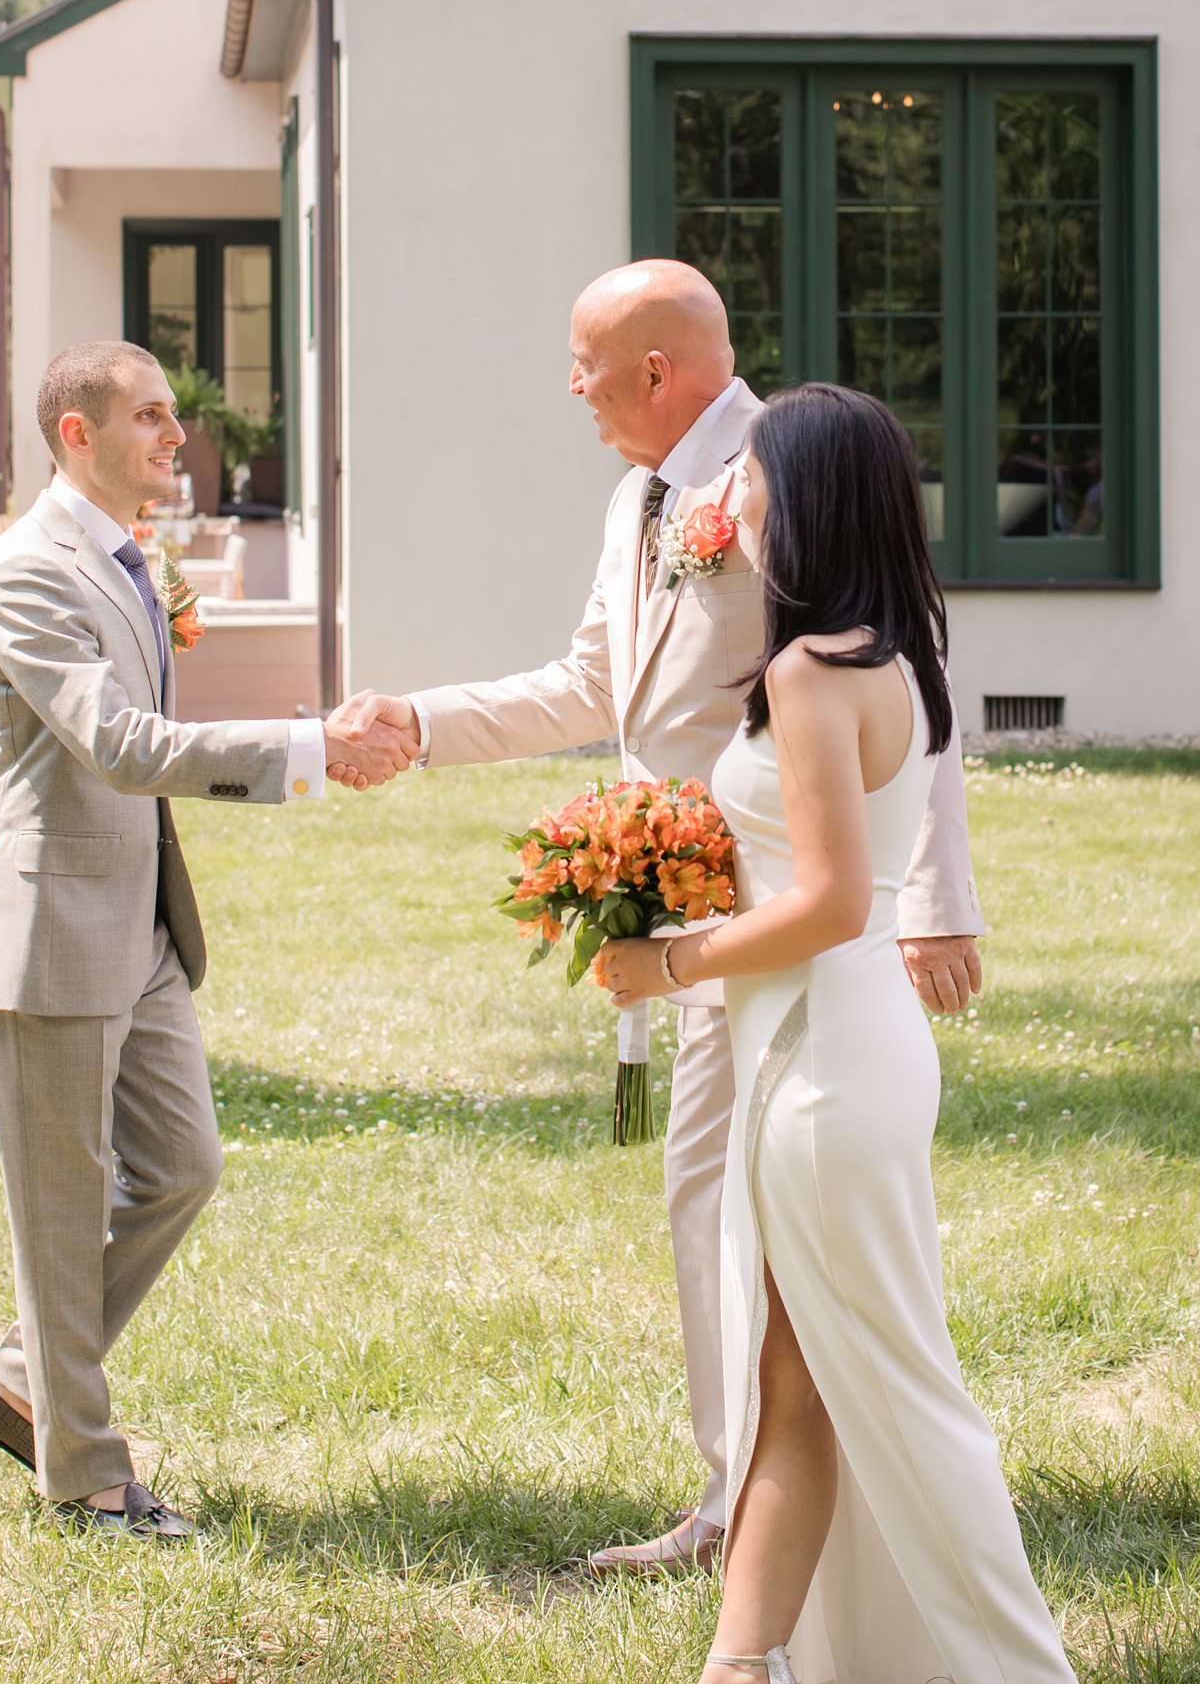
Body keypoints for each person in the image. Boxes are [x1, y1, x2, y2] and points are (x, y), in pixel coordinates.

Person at [344, 262, 984, 1573]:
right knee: (714, 1199)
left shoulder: (780, 467)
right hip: (699, 905)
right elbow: (596, 682)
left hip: (787, 915)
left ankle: (756, 1505)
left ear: (654, 369)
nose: (567, 385)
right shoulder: (634, 500)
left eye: (584, 361)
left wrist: (935, 895)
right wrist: (421, 724)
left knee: (742, 1199)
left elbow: (909, 657)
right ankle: (744, 1490)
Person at [597, 384, 1083, 1684]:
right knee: (799, 1381)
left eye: (746, 476)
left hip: (822, 1052)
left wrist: (672, 959)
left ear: (795, 496)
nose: (726, 497)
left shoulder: (814, 674)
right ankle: (741, 1675)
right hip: (841, 1041)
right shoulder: (899, 653)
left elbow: (824, 898)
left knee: (896, 1377)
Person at [0, 341, 412, 1538]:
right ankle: (91, 1479)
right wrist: (307, 748)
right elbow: (122, 744)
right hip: (46, 926)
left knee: (183, 1165)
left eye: (169, 417)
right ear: (74, 436)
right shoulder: (28, 574)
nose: (174, 436)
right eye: (146, 418)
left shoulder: (120, 556)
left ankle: (21, 1380)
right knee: (62, 1208)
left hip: (136, 921)